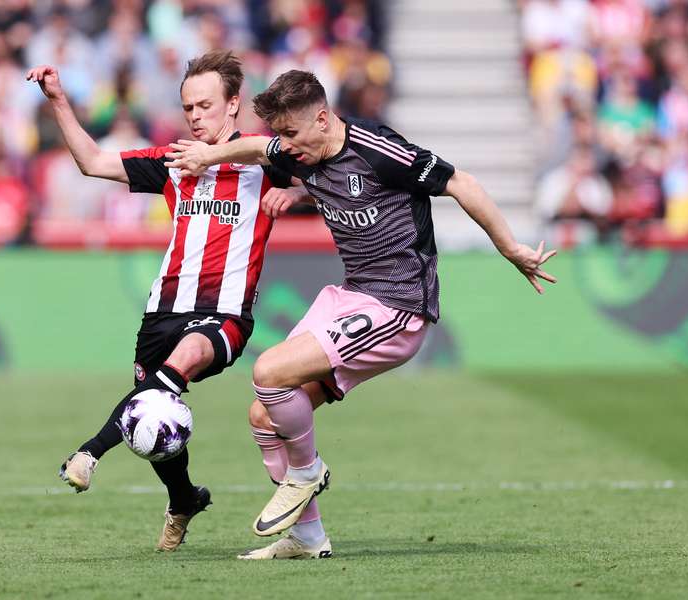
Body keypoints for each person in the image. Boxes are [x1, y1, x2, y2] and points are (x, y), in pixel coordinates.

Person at [165, 69, 558, 559]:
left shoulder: (378, 149)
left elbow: (462, 183)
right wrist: (235, 166)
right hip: (351, 296)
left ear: (323, 119)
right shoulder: (301, 150)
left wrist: (510, 248)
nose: (284, 147)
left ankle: (307, 473)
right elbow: (258, 149)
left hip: (398, 303)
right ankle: (308, 539)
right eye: (280, 135)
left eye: (290, 134)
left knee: (269, 371)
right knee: (264, 416)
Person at [26, 51, 298, 552]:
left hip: (225, 314)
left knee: (182, 364)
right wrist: (60, 102)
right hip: (163, 312)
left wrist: (298, 194)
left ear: (234, 105)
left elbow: (324, 171)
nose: (195, 116)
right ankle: (183, 500)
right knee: (158, 419)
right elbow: (92, 163)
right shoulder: (174, 163)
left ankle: (88, 453)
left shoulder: (266, 160)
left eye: (206, 105)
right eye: (188, 107)